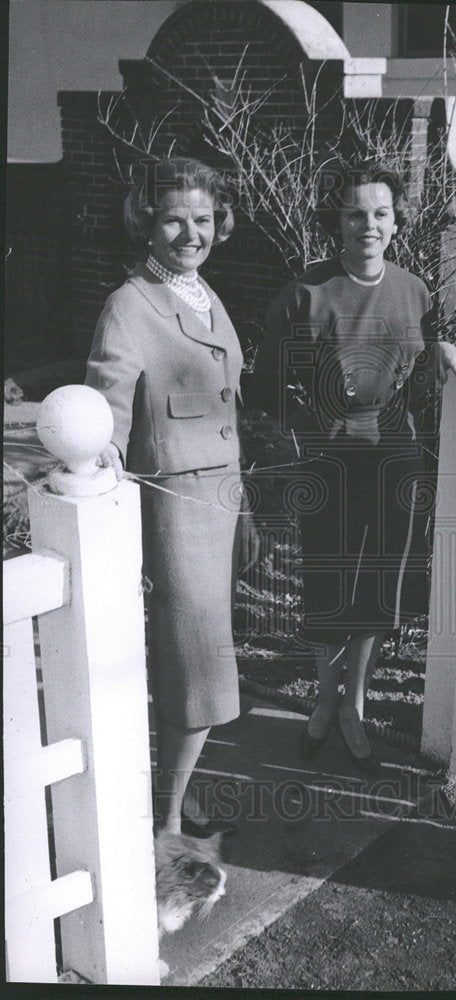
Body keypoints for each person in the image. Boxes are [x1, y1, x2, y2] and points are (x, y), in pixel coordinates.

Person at [251, 159, 456, 772]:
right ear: (339, 221)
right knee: (328, 584)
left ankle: (355, 704)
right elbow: (269, 386)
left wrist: (447, 345)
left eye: (380, 213)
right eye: (355, 213)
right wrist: (305, 434)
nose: (367, 225)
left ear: (396, 223)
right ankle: (324, 703)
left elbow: (424, 366)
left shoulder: (416, 290)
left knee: (377, 587)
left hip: (394, 458)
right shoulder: (306, 293)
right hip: (328, 459)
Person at [86, 157, 258, 836]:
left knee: (202, 656)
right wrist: (102, 462)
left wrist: (243, 503)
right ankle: (165, 820)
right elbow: (107, 401)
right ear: (146, 222)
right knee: (194, 661)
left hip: (219, 495)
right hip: (173, 504)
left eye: (204, 218)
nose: (192, 232)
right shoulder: (130, 303)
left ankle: (171, 796)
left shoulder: (201, 292)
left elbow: (226, 403)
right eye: (175, 218)